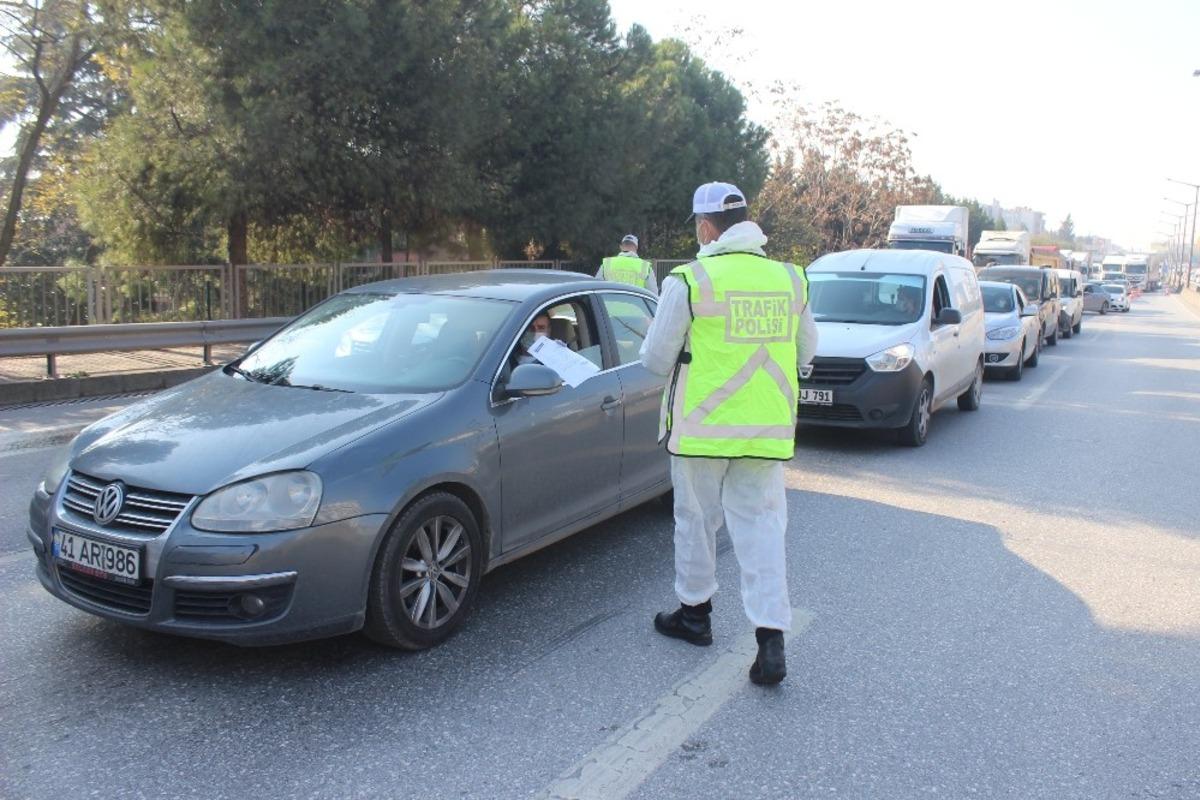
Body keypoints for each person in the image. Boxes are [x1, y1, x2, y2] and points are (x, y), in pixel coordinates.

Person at [639, 181, 818, 686]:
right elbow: (807, 351)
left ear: (704, 228)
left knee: (696, 521)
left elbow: (655, 361)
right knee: (763, 529)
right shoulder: (790, 279)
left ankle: (695, 616)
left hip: (701, 432)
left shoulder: (690, 280)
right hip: (764, 431)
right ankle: (771, 639)